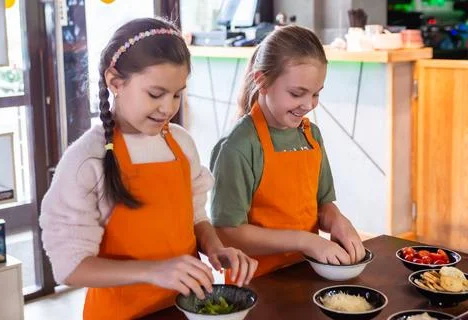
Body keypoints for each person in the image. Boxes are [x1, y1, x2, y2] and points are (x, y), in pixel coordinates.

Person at [39, 17, 257, 320]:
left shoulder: (181, 143)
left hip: (185, 308)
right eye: (156, 94)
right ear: (115, 82)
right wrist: (154, 271)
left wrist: (215, 247)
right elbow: (70, 267)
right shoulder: (86, 160)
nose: (169, 108)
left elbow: (195, 216)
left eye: (177, 94)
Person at [210, 25, 365, 278]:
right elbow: (228, 232)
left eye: (316, 94)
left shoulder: (311, 134)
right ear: (262, 82)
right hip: (257, 283)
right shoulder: (238, 146)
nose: (308, 105)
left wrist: (337, 219)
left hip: (306, 272)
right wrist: (306, 241)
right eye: (296, 93)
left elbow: (323, 204)